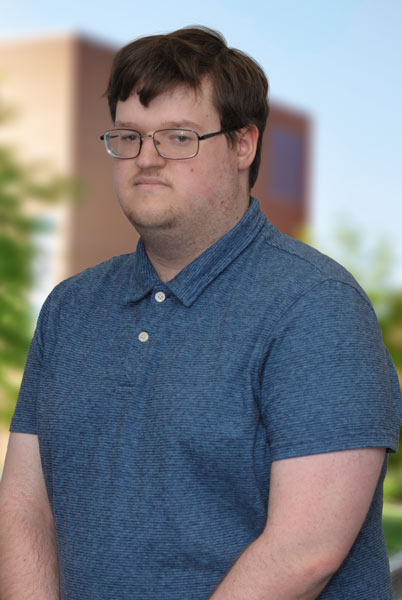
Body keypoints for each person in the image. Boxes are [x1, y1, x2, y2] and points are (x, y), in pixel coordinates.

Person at [0, 26, 401, 600]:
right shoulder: (70, 309)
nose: (147, 159)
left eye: (179, 137)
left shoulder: (315, 305)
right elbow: (23, 509)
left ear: (244, 145)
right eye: (128, 137)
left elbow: (306, 550)